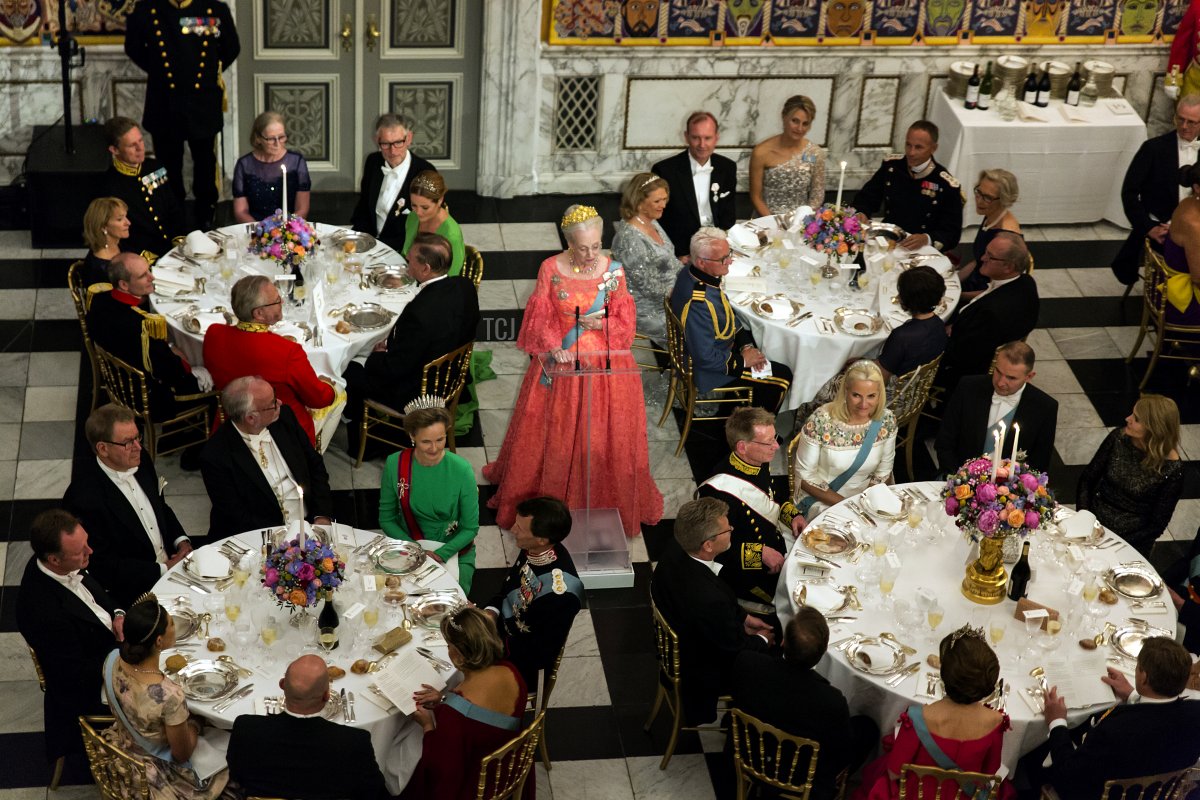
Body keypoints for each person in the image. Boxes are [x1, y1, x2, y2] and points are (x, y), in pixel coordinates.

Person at [482, 205, 663, 538]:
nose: (591, 254)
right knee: (556, 434)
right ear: (568, 243)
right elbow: (541, 316)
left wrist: (603, 322)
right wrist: (554, 346)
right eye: (583, 247)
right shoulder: (550, 269)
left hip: (607, 373)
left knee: (602, 437)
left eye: (596, 246)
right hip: (562, 368)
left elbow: (625, 325)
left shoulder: (614, 272)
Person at [1015, 637, 1200, 800]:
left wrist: (1057, 721)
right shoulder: (1195, 713)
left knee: (1033, 751)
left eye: (1137, 667)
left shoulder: (1115, 731)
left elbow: (1068, 776)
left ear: (1144, 677)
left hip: (1091, 791)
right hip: (1158, 789)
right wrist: (1133, 695)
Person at [344, 233, 479, 443]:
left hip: (420, 390)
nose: (406, 264)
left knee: (349, 369)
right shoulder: (465, 286)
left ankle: (363, 440)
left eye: (410, 260)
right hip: (451, 375)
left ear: (425, 268)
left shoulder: (420, 314)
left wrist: (373, 357)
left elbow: (395, 368)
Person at [732, 609, 878, 800]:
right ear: (822, 654)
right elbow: (842, 753)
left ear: (783, 641)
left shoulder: (747, 662)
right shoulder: (831, 701)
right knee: (868, 728)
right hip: (801, 778)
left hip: (751, 753)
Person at [651, 497, 773, 725]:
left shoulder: (675, 549)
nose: (732, 530)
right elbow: (732, 648)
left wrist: (743, 617)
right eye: (728, 529)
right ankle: (746, 721)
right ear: (707, 545)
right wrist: (763, 640)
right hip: (702, 666)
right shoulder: (708, 599)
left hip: (691, 630)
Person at [854, 625, 1012, 800]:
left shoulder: (918, 717)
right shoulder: (997, 721)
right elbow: (989, 773)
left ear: (945, 675)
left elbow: (894, 773)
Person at [17, 510, 123, 765]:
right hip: (88, 686)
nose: (90, 551)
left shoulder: (60, 564)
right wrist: (127, 651)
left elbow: (100, 599)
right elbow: (75, 674)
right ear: (54, 560)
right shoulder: (45, 613)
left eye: (86, 542)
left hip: (107, 647)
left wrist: (118, 614)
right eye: (80, 551)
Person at [101, 594, 232, 800]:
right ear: (159, 641)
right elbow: (182, 754)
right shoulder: (169, 696)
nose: (175, 626)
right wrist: (196, 723)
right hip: (154, 771)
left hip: (123, 747)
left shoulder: (111, 660)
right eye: (172, 623)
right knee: (233, 754)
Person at [124, 0, 239, 230]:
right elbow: (134, 48)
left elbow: (231, 48)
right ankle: (173, 212)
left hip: (202, 101)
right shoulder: (147, 10)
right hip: (164, 101)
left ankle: (206, 211)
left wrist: (206, 75)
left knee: (205, 163)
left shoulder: (215, 10)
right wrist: (159, 72)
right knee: (168, 165)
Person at [63, 404, 193, 607]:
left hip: (174, 568)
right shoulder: (83, 498)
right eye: (127, 442)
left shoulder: (141, 461)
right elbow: (102, 565)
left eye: (137, 437)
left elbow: (161, 508)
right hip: (135, 593)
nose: (138, 447)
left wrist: (181, 541)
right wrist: (163, 569)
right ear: (103, 448)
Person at [794, 265, 947, 428]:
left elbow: (879, 376)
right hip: (914, 395)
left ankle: (810, 431)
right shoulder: (939, 325)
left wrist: (858, 364)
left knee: (819, 380)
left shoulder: (902, 336)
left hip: (889, 401)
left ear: (907, 300)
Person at [404, 607, 529, 800]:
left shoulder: (452, 715)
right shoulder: (510, 671)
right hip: (507, 765)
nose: (447, 651)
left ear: (459, 655)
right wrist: (444, 700)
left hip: (478, 783)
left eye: (448, 646)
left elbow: (440, 772)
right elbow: (480, 715)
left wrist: (428, 726)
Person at [227, 654, 389, 799]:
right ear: (326, 695)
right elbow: (372, 791)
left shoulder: (246, 728)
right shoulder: (354, 742)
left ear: (282, 685)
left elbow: (237, 773)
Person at [668, 227, 793, 413]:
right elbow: (705, 358)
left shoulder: (695, 274)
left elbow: (723, 314)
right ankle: (754, 433)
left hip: (718, 347)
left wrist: (746, 346)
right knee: (782, 377)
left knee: (757, 341)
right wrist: (742, 361)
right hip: (709, 369)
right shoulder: (698, 303)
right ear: (702, 262)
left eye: (729, 254)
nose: (731, 261)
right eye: (723, 259)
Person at [698, 408, 806, 619]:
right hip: (746, 575)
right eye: (768, 442)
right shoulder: (717, 492)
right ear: (742, 447)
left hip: (776, 548)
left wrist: (794, 516)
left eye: (774, 437)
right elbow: (712, 548)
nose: (776, 446)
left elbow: (772, 500)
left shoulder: (757, 462)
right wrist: (761, 554)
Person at [203, 275, 336, 446]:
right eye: (277, 300)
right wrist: (329, 386)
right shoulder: (287, 352)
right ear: (258, 313)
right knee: (340, 393)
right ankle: (311, 461)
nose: (282, 303)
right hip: (280, 432)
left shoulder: (214, 333)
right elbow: (318, 399)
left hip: (231, 420)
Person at [200, 376, 333, 539]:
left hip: (308, 523)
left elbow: (315, 465)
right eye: (272, 403)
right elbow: (236, 516)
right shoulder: (215, 455)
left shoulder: (285, 417)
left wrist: (321, 515)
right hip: (259, 537)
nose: (280, 403)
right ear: (251, 418)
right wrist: (280, 543)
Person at [485, 496, 583, 691]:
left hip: (518, 663)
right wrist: (489, 612)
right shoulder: (533, 549)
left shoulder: (562, 596)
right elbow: (507, 589)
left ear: (542, 539)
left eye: (519, 528)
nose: (512, 530)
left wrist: (486, 643)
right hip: (499, 632)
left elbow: (537, 653)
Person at [88, 252, 202, 417]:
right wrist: (173, 349)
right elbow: (175, 371)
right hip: (149, 399)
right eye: (143, 276)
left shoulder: (99, 299)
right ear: (124, 285)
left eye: (149, 271)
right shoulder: (142, 326)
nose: (152, 277)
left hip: (116, 379)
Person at [379, 405, 480, 592]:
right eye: (426, 441)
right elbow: (387, 519)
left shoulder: (461, 469)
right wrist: (416, 550)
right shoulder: (396, 464)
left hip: (453, 549)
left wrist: (440, 555)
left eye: (440, 439)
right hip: (407, 543)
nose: (434, 448)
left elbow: (470, 528)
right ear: (412, 436)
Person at [1077, 395, 1183, 558]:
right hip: (1093, 524)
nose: (1128, 419)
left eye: (1136, 419)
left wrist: (1114, 542)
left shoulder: (1172, 470)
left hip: (1130, 542)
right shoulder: (1118, 438)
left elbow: (1156, 525)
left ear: (1154, 429)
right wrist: (1084, 516)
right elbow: (1087, 479)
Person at [934, 231, 1039, 396]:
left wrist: (944, 331)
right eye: (985, 252)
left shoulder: (990, 314)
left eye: (991, 256)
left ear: (1009, 267)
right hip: (976, 339)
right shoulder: (1026, 282)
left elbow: (960, 357)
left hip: (961, 371)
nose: (982, 258)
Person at [1111, 95, 1200, 286]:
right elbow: (1129, 193)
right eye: (1180, 119)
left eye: (1191, 122)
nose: (1184, 126)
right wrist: (1148, 227)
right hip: (1162, 229)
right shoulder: (1154, 149)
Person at [793, 360, 897, 517]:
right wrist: (849, 505)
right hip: (824, 498)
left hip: (867, 498)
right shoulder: (821, 421)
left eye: (871, 396)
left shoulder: (887, 421)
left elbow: (884, 472)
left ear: (879, 395)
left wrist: (866, 504)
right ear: (845, 391)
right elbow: (805, 477)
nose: (863, 404)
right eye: (856, 395)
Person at [936, 341, 1058, 474]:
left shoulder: (1045, 408)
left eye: (1011, 378)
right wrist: (957, 479)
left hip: (1008, 488)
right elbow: (944, 442)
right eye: (998, 372)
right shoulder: (968, 387)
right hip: (956, 476)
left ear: (1029, 376)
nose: (1000, 382)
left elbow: (1039, 463)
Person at [854, 120, 965, 253]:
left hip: (920, 249)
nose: (911, 153)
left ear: (933, 148)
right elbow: (866, 198)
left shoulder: (945, 185)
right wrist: (861, 213)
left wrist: (927, 238)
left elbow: (951, 233)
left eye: (918, 147)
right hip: (888, 240)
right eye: (908, 145)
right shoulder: (892, 167)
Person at [653, 111, 738, 258]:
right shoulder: (665, 170)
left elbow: (728, 215)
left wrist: (722, 246)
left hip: (719, 246)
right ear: (686, 137)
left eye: (708, 138)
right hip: (681, 250)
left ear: (716, 138)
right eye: (695, 138)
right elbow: (659, 221)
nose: (702, 145)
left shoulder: (727, 167)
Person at [610, 171, 682, 346]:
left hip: (671, 294)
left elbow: (670, 260)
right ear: (639, 202)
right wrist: (685, 295)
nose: (663, 205)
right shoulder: (629, 239)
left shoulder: (651, 222)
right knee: (701, 327)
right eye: (657, 201)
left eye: (665, 199)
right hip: (651, 309)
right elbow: (649, 287)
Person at [102, 116, 186, 259]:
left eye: (140, 141)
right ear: (114, 150)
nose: (140, 148)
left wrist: (179, 240)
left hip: (171, 247)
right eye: (131, 145)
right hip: (142, 257)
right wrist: (146, 257)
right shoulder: (110, 187)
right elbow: (116, 236)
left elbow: (174, 209)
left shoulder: (155, 167)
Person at [350, 113, 437, 251]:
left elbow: (427, 225)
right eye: (385, 144)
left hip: (402, 250)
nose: (392, 151)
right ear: (376, 140)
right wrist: (357, 241)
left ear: (408, 138)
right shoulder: (373, 162)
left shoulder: (425, 172)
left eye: (398, 143)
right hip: (369, 242)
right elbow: (364, 208)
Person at [749, 95, 827, 217]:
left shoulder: (815, 153)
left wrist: (801, 222)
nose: (799, 128)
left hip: (802, 223)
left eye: (805, 124)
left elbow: (817, 196)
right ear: (784, 116)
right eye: (795, 121)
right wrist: (775, 224)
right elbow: (756, 196)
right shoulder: (761, 152)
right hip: (766, 221)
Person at [231, 111, 311, 223]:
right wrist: (261, 231)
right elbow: (241, 211)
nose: (277, 144)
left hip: (289, 229)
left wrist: (285, 229)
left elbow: (302, 209)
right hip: (255, 229)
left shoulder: (296, 162)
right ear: (258, 138)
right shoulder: (244, 165)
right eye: (271, 139)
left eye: (282, 137)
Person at [955, 169, 1022, 299]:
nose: (979, 201)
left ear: (1004, 200)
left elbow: (997, 290)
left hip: (984, 296)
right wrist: (952, 282)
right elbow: (978, 261)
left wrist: (958, 296)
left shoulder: (1004, 236)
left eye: (988, 198)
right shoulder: (991, 215)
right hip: (974, 282)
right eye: (978, 192)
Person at [1157, 161, 1200, 325]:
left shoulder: (1189, 202)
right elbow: (1198, 279)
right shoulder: (1194, 225)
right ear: (1197, 188)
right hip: (1188, 303)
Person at [402, 170, 465, 276]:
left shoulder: (451, 234)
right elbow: (405, 255)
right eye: (414, 205)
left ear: (440, 200)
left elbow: (452, 277)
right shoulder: (412, 217)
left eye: (425, 207)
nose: (418, 212)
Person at [82, 196, 131, 286]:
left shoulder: (120, 245)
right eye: (120, 219)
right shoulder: (101, 268)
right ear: (103, 226)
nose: (128, 223)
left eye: (126, 217)